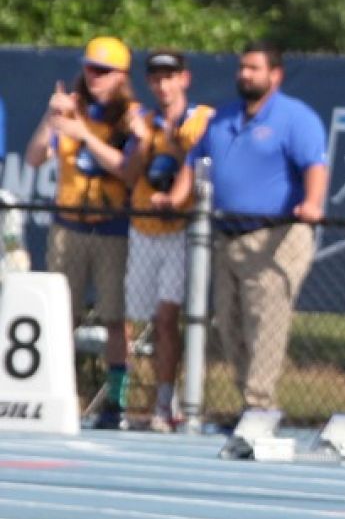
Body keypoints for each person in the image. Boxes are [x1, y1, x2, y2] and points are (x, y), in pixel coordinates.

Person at [166, 40, 328, 412]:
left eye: (254, 68)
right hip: (227, 237)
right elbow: (195, 160)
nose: (245, 74)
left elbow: (315, 165)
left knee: (266, 320)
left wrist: (313, 204)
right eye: (242, 67)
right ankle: (250, 403)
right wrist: (175, 198)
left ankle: (259, 406)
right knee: (229, 324)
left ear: (275, 75)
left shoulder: (294, 117)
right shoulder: (222, 118)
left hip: (277, 235)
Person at [24, 36, 140, 429]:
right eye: (90, 68)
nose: (94, 77)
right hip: (68, 225)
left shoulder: (132, 117)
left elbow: (127, 169)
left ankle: (115, 401)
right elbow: (35, 157)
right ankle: (58, 394)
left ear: (121, 76)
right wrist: (51, 118)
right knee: (61, 317)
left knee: (114, 317)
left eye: (104, 71)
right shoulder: (70, 107)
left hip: (112, 227)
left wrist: (84, 132)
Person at [121, 50, 213, 432]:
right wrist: (142, 142)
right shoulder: (143, 121)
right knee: (129, 322)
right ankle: (121, 401)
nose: (163, 85)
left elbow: (199, 162)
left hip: (179, 233)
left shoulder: (201, 119)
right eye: (156, 78)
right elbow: (128, 175)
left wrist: (176, 146)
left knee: (166, 319)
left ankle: (164, 401)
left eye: (169, 77)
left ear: (183, 79)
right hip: (142, 229)